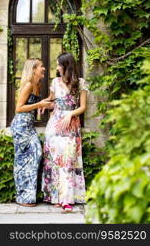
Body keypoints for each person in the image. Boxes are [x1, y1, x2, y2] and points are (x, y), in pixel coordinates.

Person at [42, 52, 88, 212]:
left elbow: (83, 107)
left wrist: (70, 113)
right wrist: (41, 105)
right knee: (55, 162)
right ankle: (56, 197)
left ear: (66, 66)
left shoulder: (80, 83)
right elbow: (52, 103)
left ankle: (66, 199)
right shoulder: (55, 82)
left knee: (68, 162)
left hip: (71, 127)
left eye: (58, 64)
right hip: (54, 127)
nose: (56, 67)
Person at [10, 58, 51, 207]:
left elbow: (32, 105)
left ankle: (28, 196)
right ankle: (24, 198)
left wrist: (43, 104)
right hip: (21, 126)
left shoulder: (38, 85)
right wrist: (39, 104)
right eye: (41, 66)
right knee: (22, 161)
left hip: (29, 126)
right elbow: (19, 108)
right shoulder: (28, 85)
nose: (44, 69)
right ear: (33, 69)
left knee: (37, 154)